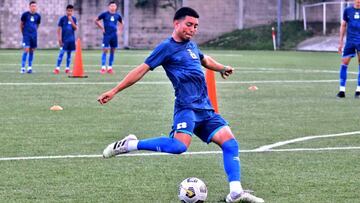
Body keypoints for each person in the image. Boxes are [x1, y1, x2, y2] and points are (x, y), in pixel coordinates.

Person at [97, 7, 264, 203]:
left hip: (206, 109)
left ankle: (236, 192)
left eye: (195, 26)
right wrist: (114, 90)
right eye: (189, 25)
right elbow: (141, 70)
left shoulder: (191, 46)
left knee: (230, 143)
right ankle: (129, 145)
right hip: (186, 108)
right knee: (178, 146)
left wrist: (222, 68)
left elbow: (204, 59)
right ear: (176, 23)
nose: (193, 29)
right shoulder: (166, 48)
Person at [337, 0, 360, 98]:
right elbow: (343, 25)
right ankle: (342, 91)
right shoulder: (347, 10)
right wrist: (341, 42)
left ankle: (358, 90)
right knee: (344, 63)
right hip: (350, 42)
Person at [95, 1, 123, 74]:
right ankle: (103, 68)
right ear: (109, 7)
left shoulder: (117, 15)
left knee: (113, 51)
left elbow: (121, 23)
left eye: (114, 6)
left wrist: (119, 31)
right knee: (105, 50)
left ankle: (110, 68)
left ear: (116, 7)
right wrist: (102, 28)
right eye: (111, 6)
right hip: (107, 35)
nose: (113, 7)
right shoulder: (104, 14)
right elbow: (96, 20)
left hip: (114, 35)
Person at [53, 4, 77, 75]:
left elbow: (75, 28)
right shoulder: (62, 19)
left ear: (72, 12)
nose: (69, 12)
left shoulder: (74, 19)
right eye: (68, 11)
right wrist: (59, 39)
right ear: (66, 11)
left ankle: (67, 68)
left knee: (69, 54)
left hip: (71, 40)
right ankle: (57, 68)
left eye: (71, 11)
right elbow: (59, 29)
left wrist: (71, 21)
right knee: (61, 53)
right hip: (64, 40)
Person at [20, 1, 41, 74]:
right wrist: (24, 33)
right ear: (29, 7)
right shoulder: (25, 15)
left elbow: (37, 25)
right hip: (26, 35)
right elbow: (21, 24)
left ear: (36, 7)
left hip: (34, 36)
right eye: (32, 6)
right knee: (26, 50)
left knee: (32, 51)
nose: (33, 7)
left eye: (35, 6)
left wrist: (34, 31)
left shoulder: (38, 16)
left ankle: (29, 67)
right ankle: (22, 68)